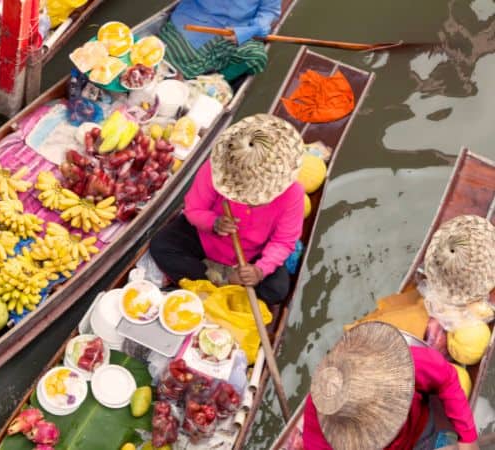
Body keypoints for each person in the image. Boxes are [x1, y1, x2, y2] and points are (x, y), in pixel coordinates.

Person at [150, 113, 305, 305]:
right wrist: (213, 223)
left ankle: (217, 284)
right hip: (207, 240)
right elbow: (193, 209)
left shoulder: (294, 194)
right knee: (161, 245)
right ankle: (218, 283)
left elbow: (283, 241)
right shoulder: (216, 169)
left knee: (276, 290)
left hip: (253, 254)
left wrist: (260, 270)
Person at [302, 321, 479, 450]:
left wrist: (468, 438)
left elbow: (446, 378)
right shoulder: (321, 429)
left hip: (421, 426)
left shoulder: (396, 364)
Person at [158, 0, 281, 81]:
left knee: (256, 56)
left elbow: (269, 11)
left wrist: (251, 30)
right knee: (167, 58)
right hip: (195, 17)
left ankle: (212, 84)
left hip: (237, 28)